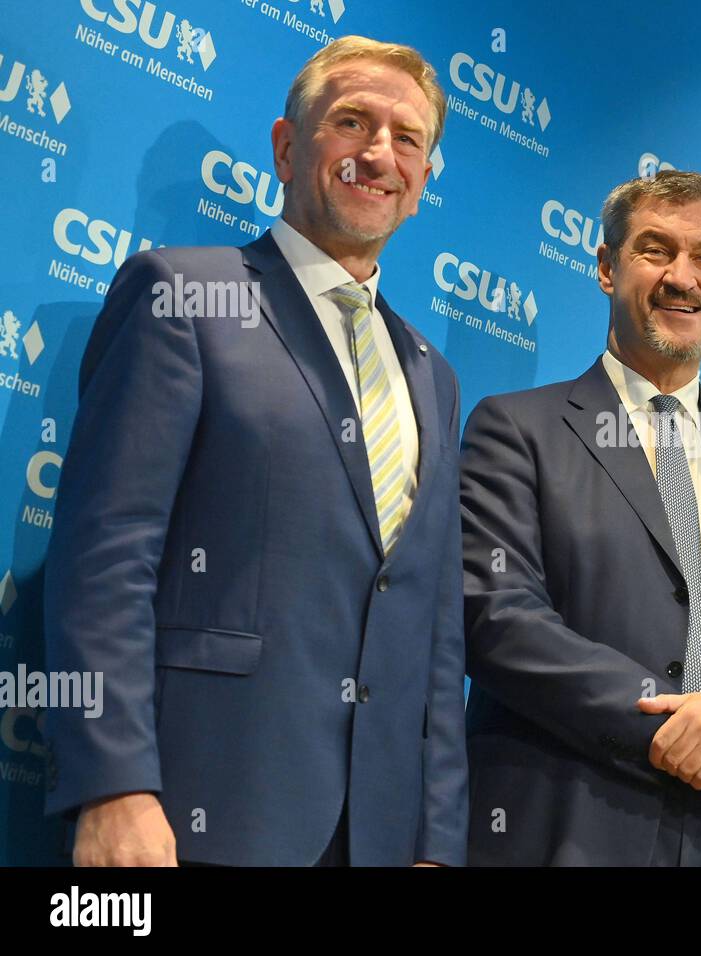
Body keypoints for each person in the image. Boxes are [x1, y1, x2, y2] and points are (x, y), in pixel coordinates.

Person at [43, 36, 467, 866]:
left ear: (422, 183)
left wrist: (436, 840)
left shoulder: (433, 377)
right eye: (352, 122)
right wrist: (114, 783)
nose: (379, 153)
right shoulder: (185, 296)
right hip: (196, 813)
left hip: (377, 838)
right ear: (285, 146)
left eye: (408, 138)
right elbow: (106, 556)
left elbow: (435, 632)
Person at [459, 170, 701, 865]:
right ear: (607, 268)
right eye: (655, 250)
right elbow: (500, 619)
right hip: (572, 825)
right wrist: (682, 732)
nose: (683, 278)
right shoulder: (517, 430)